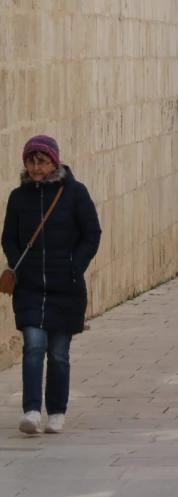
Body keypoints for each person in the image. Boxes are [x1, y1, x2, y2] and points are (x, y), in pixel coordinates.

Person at [2, 135, 101, 435]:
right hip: (30, 287)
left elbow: (92, 233)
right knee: (33, 347)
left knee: (58, 354)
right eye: (31, 161)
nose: (36, 167)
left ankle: (56, 412)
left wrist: (75, 267)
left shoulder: (74, 193)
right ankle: (31, 410)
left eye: (41, 161)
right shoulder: (19, 197)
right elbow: (8, 237)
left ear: (54, 161)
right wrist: (21, 264)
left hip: (65, 287)